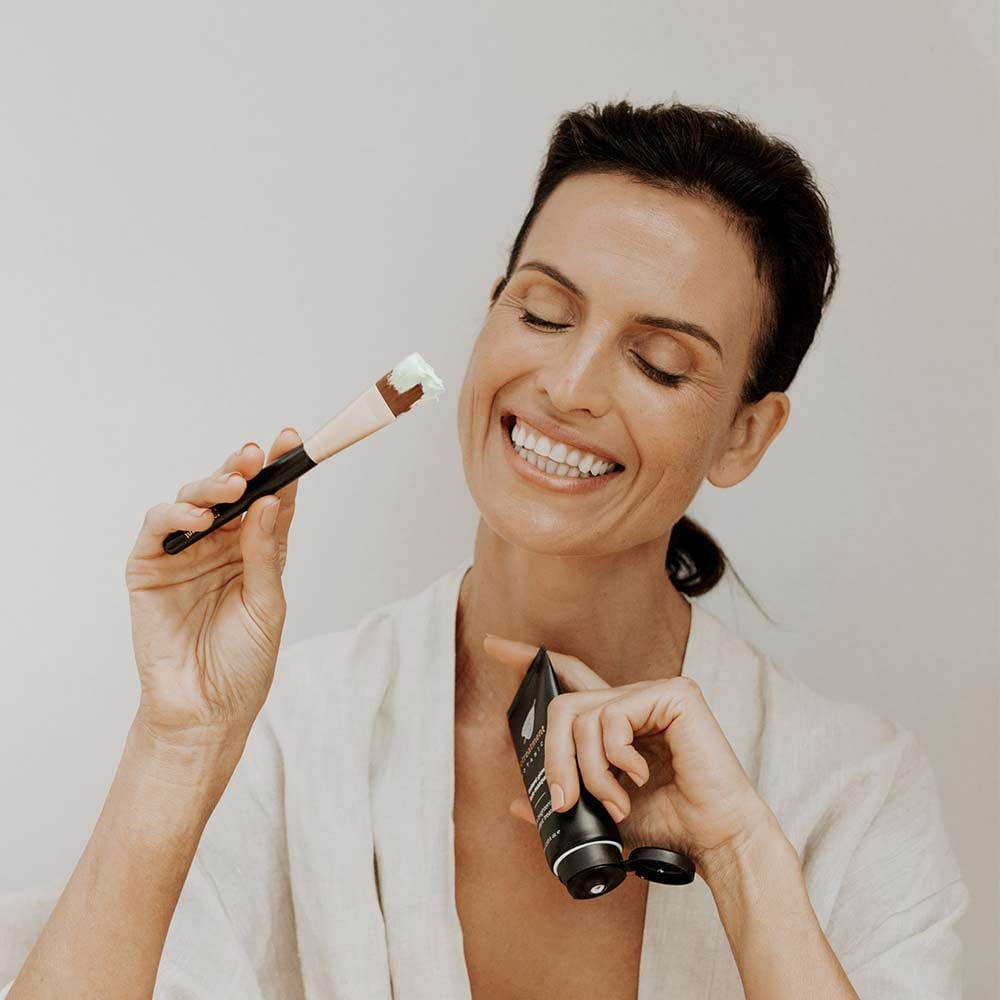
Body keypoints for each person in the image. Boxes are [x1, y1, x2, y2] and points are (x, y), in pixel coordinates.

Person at [1, 100, 968, 999]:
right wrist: (179, 745)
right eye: (543, 314)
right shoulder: (290, 737)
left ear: (745, 436)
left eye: (659, 362)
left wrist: (743, 858)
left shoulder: (852, 792)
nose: (570, 386)